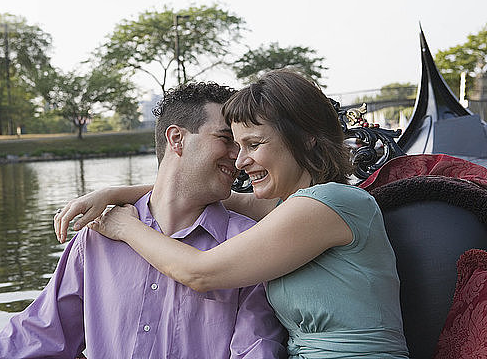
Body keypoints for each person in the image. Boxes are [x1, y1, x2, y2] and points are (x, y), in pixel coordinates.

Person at [56, 69, 410, 358]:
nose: (241, 162)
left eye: (253, 145)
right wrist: (112, 193)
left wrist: (125, 227)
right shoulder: (288, 208)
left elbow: (199, 272)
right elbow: (188, 195)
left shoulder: (330, 205)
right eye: (237, 146)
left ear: (306, 139)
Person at [0, 82, 287, 359]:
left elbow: (257, 349)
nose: (241, 157)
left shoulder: (248, 244)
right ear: (177, 139)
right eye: (226, 139)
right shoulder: (95, 238)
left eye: (245, 144)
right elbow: (36, 336)